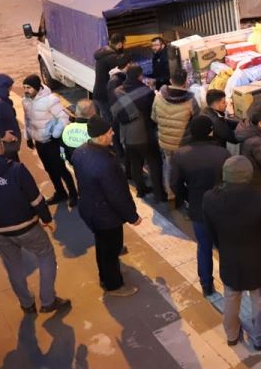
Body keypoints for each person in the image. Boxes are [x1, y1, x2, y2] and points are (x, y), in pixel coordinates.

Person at [0, 133, 70, 314]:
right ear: (1, 147)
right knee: (45, 255)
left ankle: (26, 304)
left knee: (13, 266)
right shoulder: (16, 169)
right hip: (26, 226)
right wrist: (47, 219)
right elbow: (35, 199)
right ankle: (48, 300)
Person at [203, 155, 261, 349]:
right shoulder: (258, 199)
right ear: (248, 175)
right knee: (260, 300)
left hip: (230, 260)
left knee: (230, 296)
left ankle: (231, 335)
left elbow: (210, 231)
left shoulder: (210, 198)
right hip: (257, 262)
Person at [71, 116, 142, 297]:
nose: (113, 133)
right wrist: (132, 216)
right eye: (110, 131)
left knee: (102, 245)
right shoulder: (105, 164)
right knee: (111, 249)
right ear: (101, 137)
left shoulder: (80, 152)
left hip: (89, 208)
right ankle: (114, 285)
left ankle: (104, 276)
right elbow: (117, 195)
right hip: (106, 215)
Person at [171, 116, 231, 296]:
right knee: (226, 247)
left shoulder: (180, 154)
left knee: (204, 247)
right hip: (221, 207)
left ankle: (206, 284)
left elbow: (174, 183)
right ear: (210, 132)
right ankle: (231, 281)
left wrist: (186, 198)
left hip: (198, 206)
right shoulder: (222, 153)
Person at [22, 74, 78, 208]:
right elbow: (27, 120)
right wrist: (28, 137)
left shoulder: (50, 100)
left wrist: (55, 134)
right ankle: (60, 193)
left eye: (28, 87)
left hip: (53, 142)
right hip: (39, 142)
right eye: (24, 87)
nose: (26, 90)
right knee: (49, 169)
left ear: (36, 87)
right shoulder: (26, 101)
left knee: (60, 169)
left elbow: (64, 117)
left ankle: (73, 194)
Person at [112, 63, 166, 200]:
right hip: (145, 135)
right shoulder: (146, 92)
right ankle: (159, 194)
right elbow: (154, 114)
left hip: (126, 135)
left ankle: (141, 190)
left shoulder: (117, 91)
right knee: (154, 163)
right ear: (140, 76)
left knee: (135, 163)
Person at [152, 68, 199, 196]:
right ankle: (185, 194)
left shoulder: (158, 97)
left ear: (171, 80)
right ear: (186, 82)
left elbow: (154, 118)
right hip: (183, 143)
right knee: (185, 168)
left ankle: (170, 194)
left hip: (165, 142)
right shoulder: (191, 101)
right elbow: (197, 122)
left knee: (168, 166)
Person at [92, 32, 126, 121]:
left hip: (97, 93)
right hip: (105, 95)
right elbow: (121, 74)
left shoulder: (103, 52)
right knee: (110, 122)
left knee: (100, 120)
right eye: (124, 44)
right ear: (119, 44)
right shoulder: (112, 57)